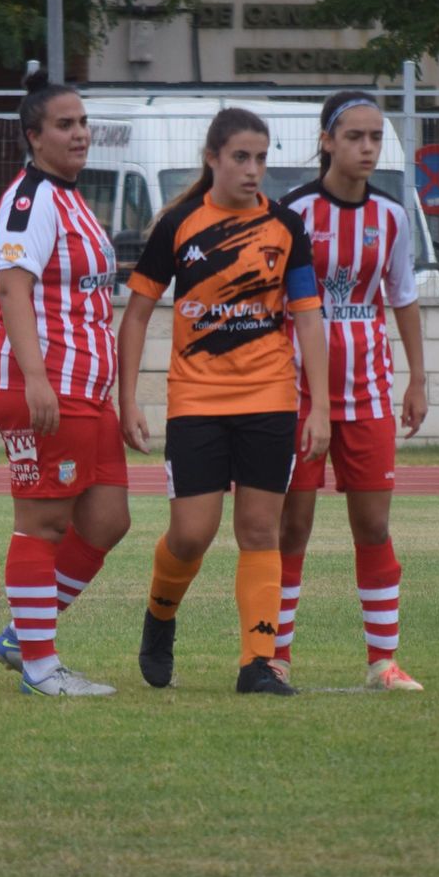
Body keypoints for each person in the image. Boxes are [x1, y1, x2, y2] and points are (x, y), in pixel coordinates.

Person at [118, 107, 330, 696]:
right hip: (196, 400)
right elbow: (136, 315)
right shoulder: (178, 225)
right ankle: (160, 618)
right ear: (213, 158)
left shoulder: (287, 229)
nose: (253, 169)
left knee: (261, 531)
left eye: (262, 158)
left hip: (270, 397)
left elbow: (310, 320)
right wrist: (127, 399)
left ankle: (257, 664)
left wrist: (320, 408)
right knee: (191, 534)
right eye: (241, 156)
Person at [273, 91, 428, 692]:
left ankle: (382, 663)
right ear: (326, 141)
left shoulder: (390, 216)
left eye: (375, 137)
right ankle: (275, 654)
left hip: (367, 394)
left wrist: (417, 377)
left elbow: (403, 297)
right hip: (295, 395)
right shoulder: (293, 213)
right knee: (293, 528)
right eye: (355, 137)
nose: (367, 148)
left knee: (373, 526)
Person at [0, 69, 130, 697]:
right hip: (46, 389)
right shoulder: (30, 200)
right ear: (33, 137)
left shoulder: (71, 197)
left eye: (83, 123)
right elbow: (13, 287)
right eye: (64, 125)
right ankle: (41, 669)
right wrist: (36, 378)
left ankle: (23, 633)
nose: (80, 134)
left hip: (86, 392)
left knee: (107, 522)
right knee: (40, 525)